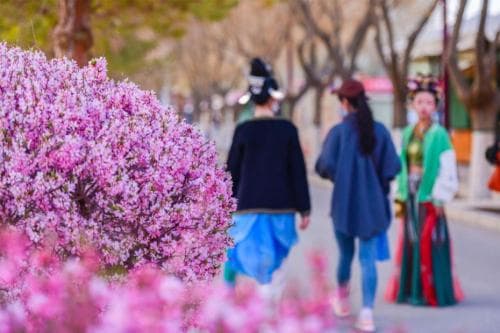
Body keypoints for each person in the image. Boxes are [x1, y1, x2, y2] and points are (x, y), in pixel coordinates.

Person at [316, 79, 401, 332]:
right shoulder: (381, 131)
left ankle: (342, 303)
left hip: (343, 205)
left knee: (345, 255)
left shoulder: (338, 133)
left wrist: (340, 177)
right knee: (367, 261)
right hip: (373, 208)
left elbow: (324, 166)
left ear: (344, 103)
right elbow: (392, 168)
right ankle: (366, 314)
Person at [224, 58, 311, 289]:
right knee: (274, 267)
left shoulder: (243, 130)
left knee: (235, 258)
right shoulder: (288, 130)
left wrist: (222, 207)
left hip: (248, 207)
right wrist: (305, 209)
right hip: (281, 209)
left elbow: (231, 172)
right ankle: (268, 313)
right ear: (274, 98)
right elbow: (298, 172)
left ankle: (228, 303)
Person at [385, 75, 464, 307]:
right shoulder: (408, 132)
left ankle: (431, 290)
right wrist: (399, 191)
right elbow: (400, 164)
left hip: (429, 194)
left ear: (435, 106)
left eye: (429, 103)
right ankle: (410, 289)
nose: (424, 107)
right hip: (410, 192)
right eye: (420, 102)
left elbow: (447, 166)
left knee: (429, 240)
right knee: (410, 238)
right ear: (412, 104)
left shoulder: (440, 135)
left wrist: (440, 197)